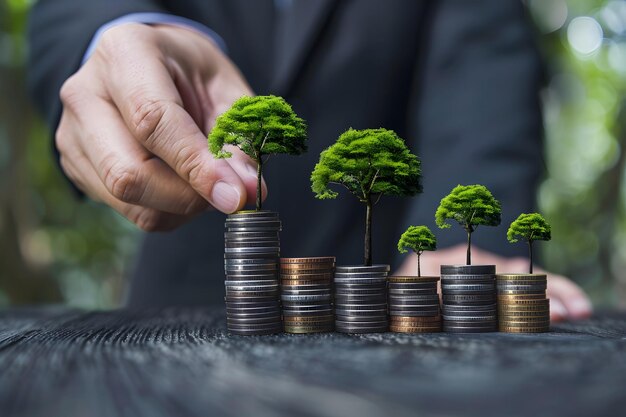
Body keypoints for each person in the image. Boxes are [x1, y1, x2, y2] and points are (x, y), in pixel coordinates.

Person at [28, 0, 592, 321]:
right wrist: (115, 36)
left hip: (389, 309)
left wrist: (465, 241)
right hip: (184, 307)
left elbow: (483, 58)